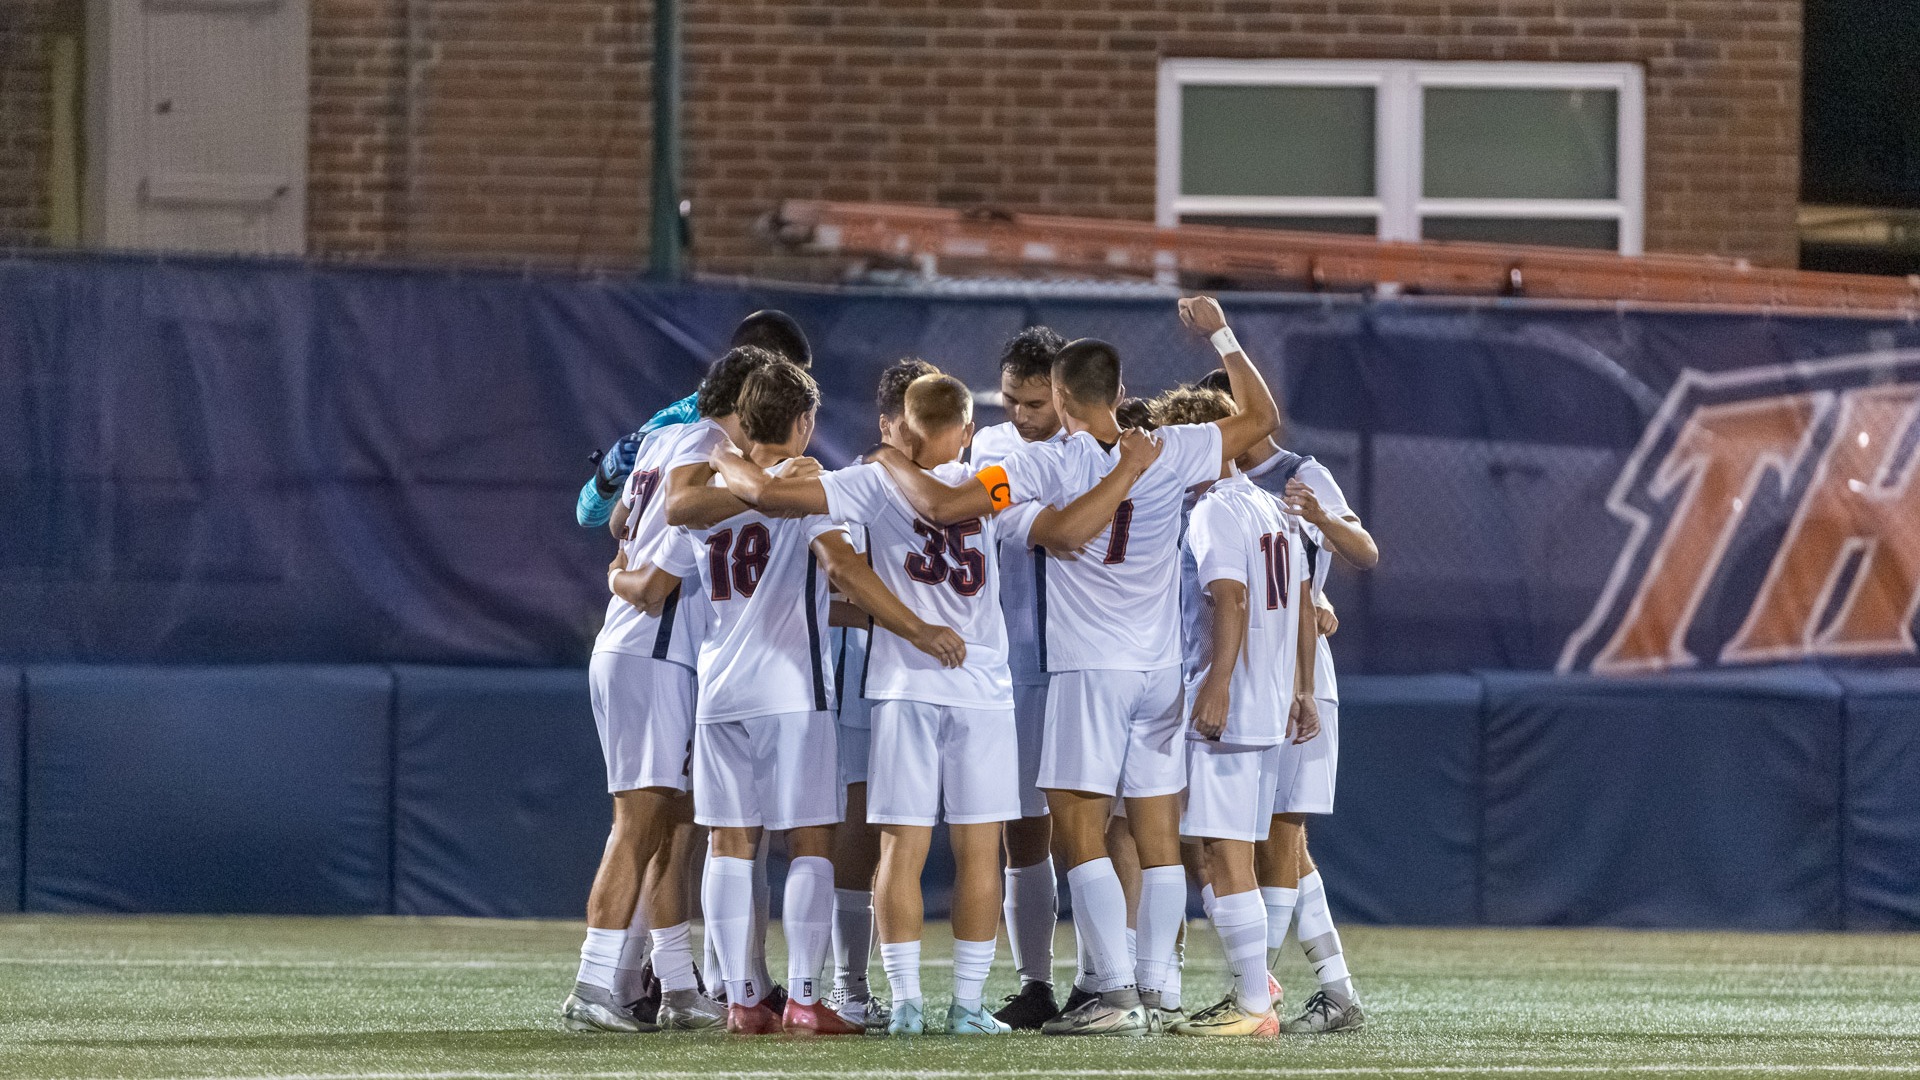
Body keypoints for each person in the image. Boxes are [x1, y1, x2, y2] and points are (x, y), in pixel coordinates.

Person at [866, 295, 1280, 1036]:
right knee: (1157, 840)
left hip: (1089, 667)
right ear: (1119, 393)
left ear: (1060, 398)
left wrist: (891, 469)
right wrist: (1219, 333)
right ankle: (1155, 990)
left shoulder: (1042, 461)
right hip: (1160, 669)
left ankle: (1113, 993)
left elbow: (1046, 531)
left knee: (1076, 832)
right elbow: (1258, 419)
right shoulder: (1176, 447)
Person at [613, 361, 965, 1036]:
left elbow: (666, 557)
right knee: (810, 840)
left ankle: (744, 998)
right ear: (804, 422)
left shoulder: (708, 486)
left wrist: (623, 577)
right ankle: (803, 996)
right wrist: (915, 626)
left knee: (729, 843)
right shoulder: (808, 484)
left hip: (717, 687)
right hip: (792, 686)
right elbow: (842, 569)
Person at [560, 345, 778, 1034]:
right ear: (743, 402)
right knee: (640, 822)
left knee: (676, 821)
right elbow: (656, 581)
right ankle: (594, 983)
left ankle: (679, 982)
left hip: (643, 651)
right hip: (656, 653)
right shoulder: (712, 454)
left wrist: (621, 573)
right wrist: (627, 580)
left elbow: (620, 523)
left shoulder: (664, 437)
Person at [1150, 385, 1322, 1037]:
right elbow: (1298, 602)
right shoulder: (1266, 505)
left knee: (1226, 858)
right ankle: (1253, 986)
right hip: (1268, 701)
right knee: (1229, 855)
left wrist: (1217, 682)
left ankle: (1254, 1005)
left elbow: (1230, 598)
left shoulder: (1213, 510)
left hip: (1236, 701)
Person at [823, 357, 938, 1032]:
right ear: (892, 422)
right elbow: (834, 586)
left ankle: (896, 994)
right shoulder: (863, 481)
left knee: (933, 835)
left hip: (931, 671)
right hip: (869, 670)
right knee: (860, 828)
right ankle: (850, 988)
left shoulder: (961, 481)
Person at [967, 326, 1071, 1029]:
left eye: (1034, 404)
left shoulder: (1105, 444)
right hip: (1017, 661)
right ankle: (1037, 982)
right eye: (1010, 399)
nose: (1019, 416)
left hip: (1097, 660)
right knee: (1023, 829)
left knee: (1115, 829)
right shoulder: (993, 449)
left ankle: (1132, 982)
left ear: (1065, 395)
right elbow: (1012, 522)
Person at [576, 310, 812, 529]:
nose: (793, 390)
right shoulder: (685, 421)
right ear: (759, 368)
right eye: (786, 376)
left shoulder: (781, 420)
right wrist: (605, 481)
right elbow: (596, 518)